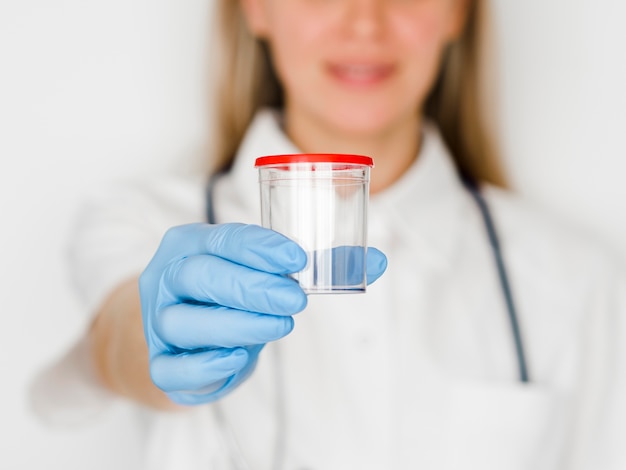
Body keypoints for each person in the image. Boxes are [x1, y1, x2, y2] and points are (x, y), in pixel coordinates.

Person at [31, 0, 626, 469]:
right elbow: (92, 363)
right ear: (256, 6)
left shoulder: (572, 276)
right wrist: (141, 343)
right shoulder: (142, 218)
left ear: (458, 11)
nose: (365, 21)